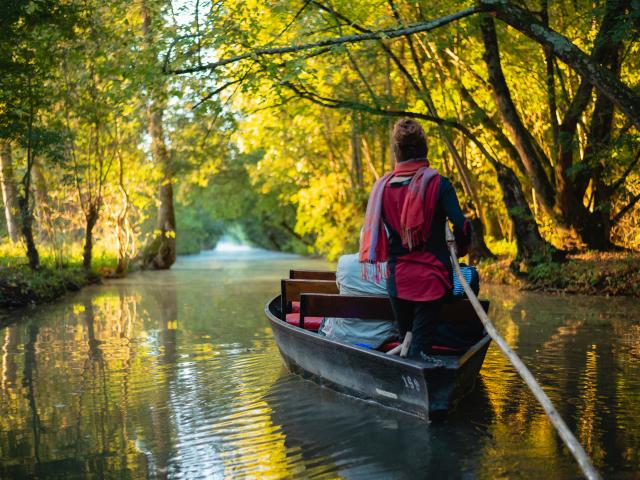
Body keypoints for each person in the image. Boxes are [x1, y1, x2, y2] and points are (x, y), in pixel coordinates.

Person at [359, 118, 471, 360]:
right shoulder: (440, 184)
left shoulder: (382, 187)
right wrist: (461, 249)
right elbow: (462, 227)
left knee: (409, 345)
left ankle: (406, 367)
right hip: (432, 281)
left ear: (396, 152)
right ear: (424, 149)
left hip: (397, 283)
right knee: (419, 352)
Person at [319, 253, 398, 349]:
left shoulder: (344, 261)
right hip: (383, 337)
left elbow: (339, 288)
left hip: (343, 334)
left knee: (328, 316)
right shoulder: (397, 266)